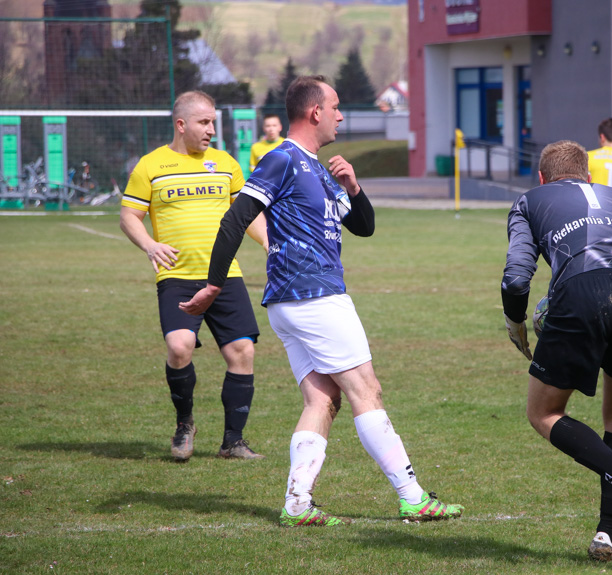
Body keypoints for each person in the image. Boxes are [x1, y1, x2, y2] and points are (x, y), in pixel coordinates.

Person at [179, 76, 464, 527]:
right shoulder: (283, 160)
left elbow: (365, 226)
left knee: (322, 399)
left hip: (294, 302)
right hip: (314, 295)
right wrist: (214, 284)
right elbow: (235, 220)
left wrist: (352, 186)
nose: (341, 115)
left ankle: (297, 504)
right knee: (366, 390)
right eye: (335, 106)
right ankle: (412, 497)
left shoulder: (320, 171)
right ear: (315, 112)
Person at [501, 140, 612, 563]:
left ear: (542, 178)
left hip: (583, 292)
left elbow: (518, 277)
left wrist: (516, 320)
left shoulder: (529, 200)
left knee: (543, 413)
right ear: (589, 176)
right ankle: (606, 536)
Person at [119, 90, 269, 462]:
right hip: (178, 276)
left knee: (242, 351)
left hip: (226, 275)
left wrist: (271, 244)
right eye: (204, 123)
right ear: (181, 124)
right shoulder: (150, 166)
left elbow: (246, 215)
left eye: (214, 122)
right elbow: (128, 216)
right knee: (179, 347)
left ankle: (233, 441)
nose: (212, 131)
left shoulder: (226, 164)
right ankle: (185, 423)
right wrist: (150, 246)